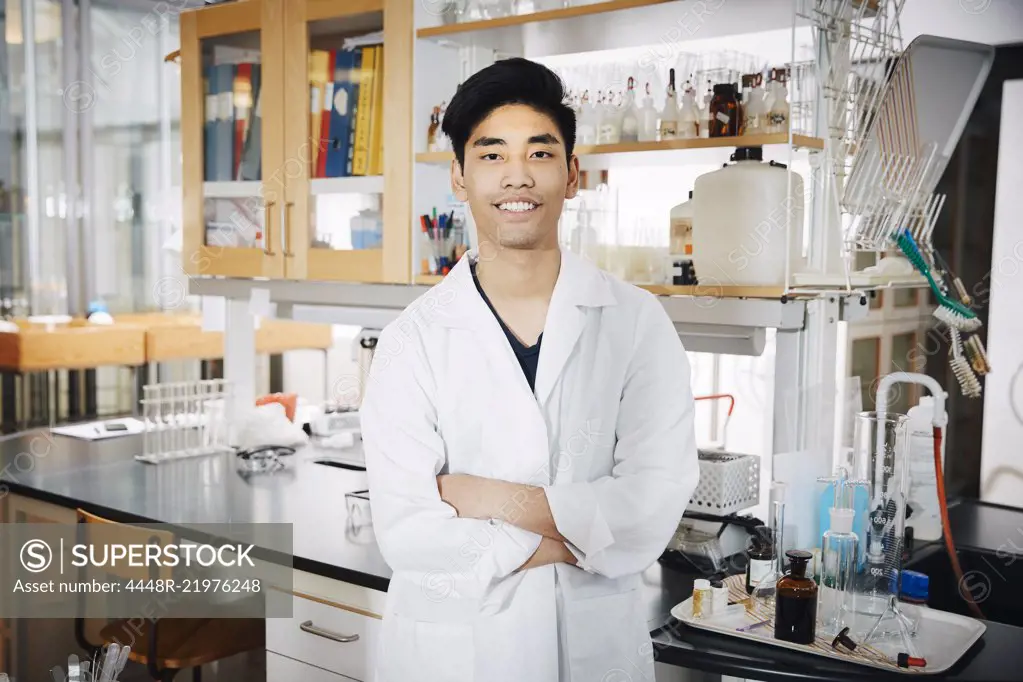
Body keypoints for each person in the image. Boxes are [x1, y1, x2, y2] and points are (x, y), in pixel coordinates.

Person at [361, 57, 700, 682]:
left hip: (592, 646)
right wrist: (581, 540)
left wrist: (488, 498)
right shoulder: (413, 339)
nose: (517, 177)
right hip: (454, 655)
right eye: (491, 155)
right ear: (459, 178)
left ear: (571, 175)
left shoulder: (636, 324)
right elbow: (410, 533)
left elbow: (651, 505)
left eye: (539, 154)